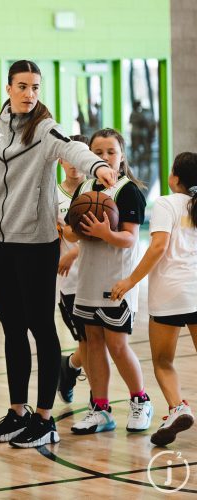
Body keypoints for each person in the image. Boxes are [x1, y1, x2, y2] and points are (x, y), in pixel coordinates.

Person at [0, 60, 116, 449]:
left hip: (38, 245)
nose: (29, 93)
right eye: (22, 86)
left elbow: (73, 148)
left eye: (35, 87)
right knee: (12, 329)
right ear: (8, 88)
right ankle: (17, 412)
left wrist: (97, 166)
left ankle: (45, 419)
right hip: (0, 244)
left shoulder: (45, 129)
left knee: (41, 328)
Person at [64, 128, 153, 435]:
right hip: (87, 282)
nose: (104, 157)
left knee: (117, 345)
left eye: (110, 152)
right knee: (91, 345)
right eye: (97, 152)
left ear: (121, 156)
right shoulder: (84, 188)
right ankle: (100, 409)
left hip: (117, 283)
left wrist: (106, 234)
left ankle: (140, 399)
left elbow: (130, 238)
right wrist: (76, 231)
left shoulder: (128, 191)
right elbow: (70, 232)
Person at [111, 151, 197, 446]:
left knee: (162, 361)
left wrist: (130, 280)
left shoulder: (165, 203)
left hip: (171, 293)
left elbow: (158, 246)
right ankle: (177, 411)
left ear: (175, 178)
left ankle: (178, 408)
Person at [56, 135, 89, 404]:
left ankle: (70, 366)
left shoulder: (99, 192)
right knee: (90, 343)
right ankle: (97, 401)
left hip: (102, 278)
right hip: (69, 282)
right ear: (60, 159)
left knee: (96, 344)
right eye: (69, 157)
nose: (74, 164)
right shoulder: (53, 194)